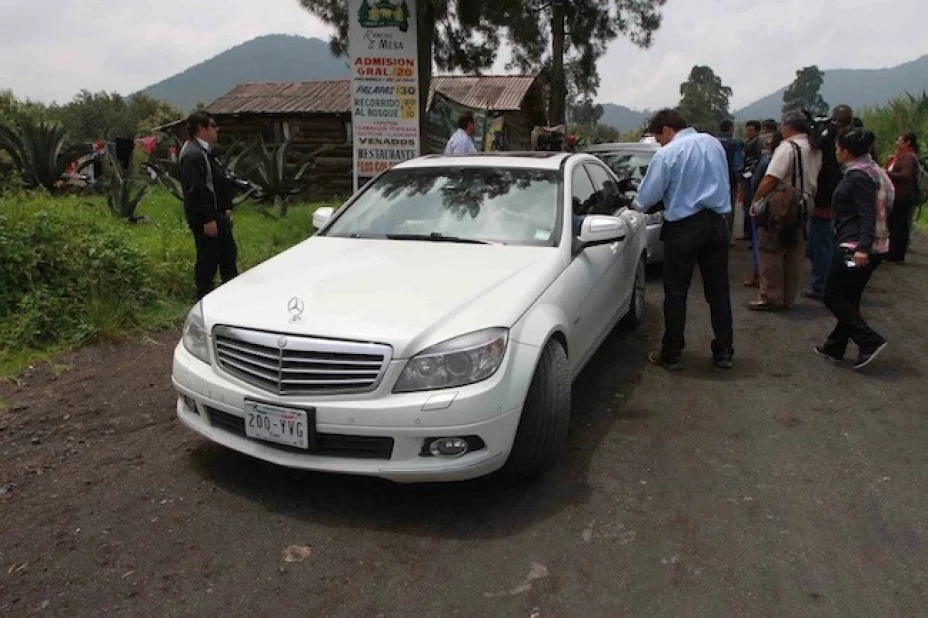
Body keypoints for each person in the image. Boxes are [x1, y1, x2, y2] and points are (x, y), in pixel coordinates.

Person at [633, 109, 734, 371]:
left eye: (659, 137)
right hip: (717, 224)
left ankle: (673, 353)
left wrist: (634, 204)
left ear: (667, 129)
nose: (659, 143)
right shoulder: (714, 144)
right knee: (719, 291)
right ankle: (724, 352)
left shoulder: (667, 154)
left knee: (676, 293)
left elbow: (646, 198)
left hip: (684, 228)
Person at [815, 129, 891, 369]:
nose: (836, 153)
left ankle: (868, 340)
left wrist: (862, 248)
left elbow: (867, 214)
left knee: (832, 294)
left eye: (837, 149)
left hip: (854, 247)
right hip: (874, 245)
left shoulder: (857, 177)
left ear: (846, 152)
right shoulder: (874, 171)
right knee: (849, 296)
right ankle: (835, 346)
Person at [748, 110, 822, 311]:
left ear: (788, 127)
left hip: (784, 201)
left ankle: (770, 296)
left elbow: (771, 178)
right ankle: (788, 297)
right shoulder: (814, 147)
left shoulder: (788, 147)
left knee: (771, 247)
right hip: (806, 201)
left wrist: (756, 201)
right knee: (795, 249)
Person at [179, 112, 238, 301]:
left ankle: (231, 297)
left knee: (228, 256)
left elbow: (217, 181)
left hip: (218, 214)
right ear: (201, 129)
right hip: (207, 218)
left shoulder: (205, 151)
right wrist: (207, 219)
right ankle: (204, 298)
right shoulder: (192, 154)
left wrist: (226, 206)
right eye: (213, 126)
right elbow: (195, 190)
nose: (216, 129)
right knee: (208, 260)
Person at [804, 104, 854, 301]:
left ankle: (821, 286)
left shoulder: (831, 134)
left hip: (826, 194)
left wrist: (812, 127)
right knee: (836, 241)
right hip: (842, 194)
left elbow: (816, 143)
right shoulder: (853, 136)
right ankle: (837, 282)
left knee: (822, 243)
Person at [743, 120, 779, 288]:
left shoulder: (763, 157)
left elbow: (756, 180)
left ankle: (759, 275)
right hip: (783, 202)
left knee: (761, 239)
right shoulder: (789, 150)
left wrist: (753, 200)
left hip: (764, 201)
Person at [885, 132, 920, 263]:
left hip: (902, 196)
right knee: (896, 225)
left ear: (907, 142)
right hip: (899, 195)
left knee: (898, 227)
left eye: (900, 140)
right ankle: (894, 253)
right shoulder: (900, 156)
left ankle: (895, 254)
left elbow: (906, 175)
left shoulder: (908, 158)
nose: (897, 142)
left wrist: (887, 173)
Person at [717, 119, 745, 239]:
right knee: (729, 208)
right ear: (731, 129)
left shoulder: (713, 141)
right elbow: (737, 163)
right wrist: (739, 181)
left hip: (713, 180)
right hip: (729, 180)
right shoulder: (735, 143)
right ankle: (726, 236)